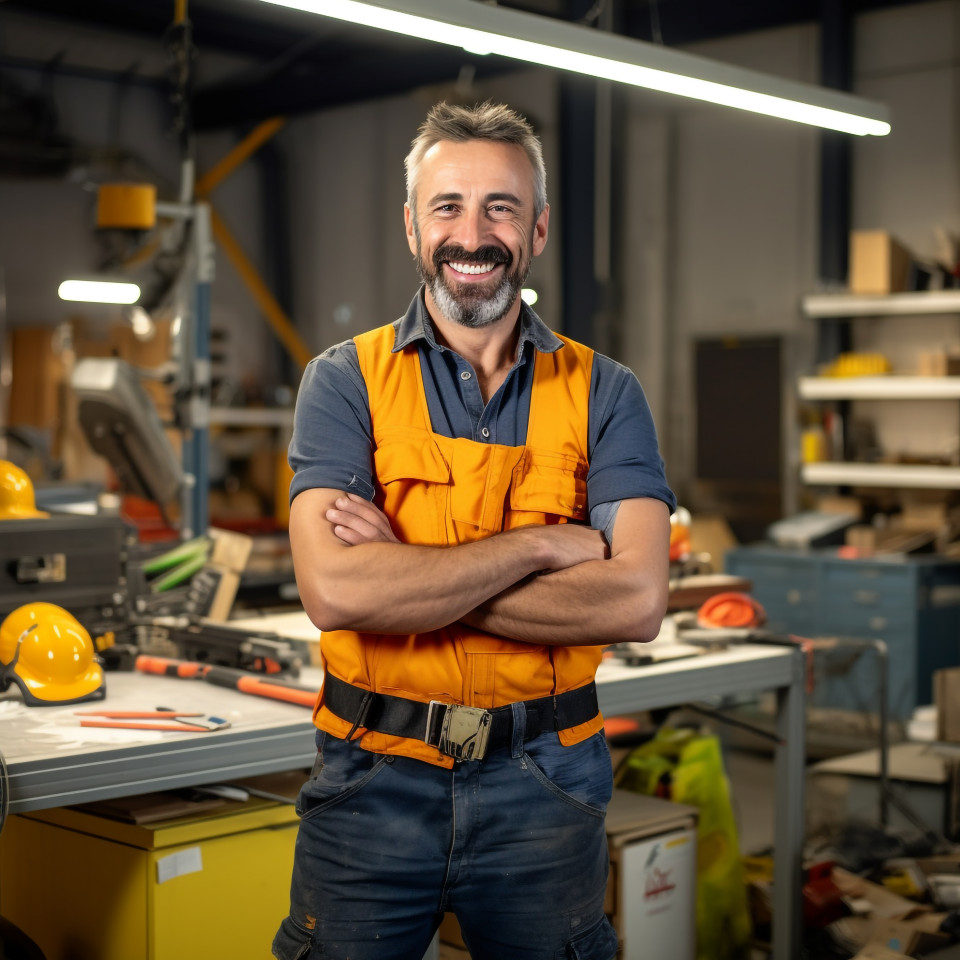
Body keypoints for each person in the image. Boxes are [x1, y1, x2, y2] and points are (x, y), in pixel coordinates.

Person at [273, 100, 675, 960]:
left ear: (537, 228)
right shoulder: (344, 382)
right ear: (412, 224)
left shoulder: (607, 392)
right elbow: (336, 590)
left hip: (548, 780)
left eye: (500, 206)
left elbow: (637, 599)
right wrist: (538, 547)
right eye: (448, 205)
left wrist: (407, 573)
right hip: (370, 776)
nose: (473, 231)